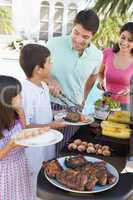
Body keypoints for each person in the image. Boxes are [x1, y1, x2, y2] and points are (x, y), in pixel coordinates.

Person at [46, 9, 103, 150]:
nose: (78, 40)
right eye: (76, 33)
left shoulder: (97, 55)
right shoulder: (53, 44)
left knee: (62, 149)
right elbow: (37, 69)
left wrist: (83, 99)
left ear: (93, 36)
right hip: (48, 105)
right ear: (72, 27)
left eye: (85, 37)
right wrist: (50, 80)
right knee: (45, 148)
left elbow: (93, 77)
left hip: (74, 109)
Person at [19, 43, 66, 197]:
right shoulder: (26, 91)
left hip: (47, 142)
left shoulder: (43, 85)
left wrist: (56, 114)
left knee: (45, 177)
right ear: (38, 69)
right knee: (33, 181)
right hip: (34, 148)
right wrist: (52, 125)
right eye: (49, 61)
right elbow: (26, 125)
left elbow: (43, 110)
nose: (52, 64)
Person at [0, 75, 34, 200]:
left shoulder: (16, 115)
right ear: (6, 98)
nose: (22, 97)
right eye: (18, 94)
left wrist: (22, 115)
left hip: (20, 167)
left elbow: (24, 139)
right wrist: (11, 145)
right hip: (4, 174)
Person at [98, 22, 133, 110]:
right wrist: (101, 81)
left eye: (130, 40)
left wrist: (130, 90)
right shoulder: (108, 53)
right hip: (106, 102)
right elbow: (100, 73)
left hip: (126, 107)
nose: (124, 42)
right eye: (123, 37)